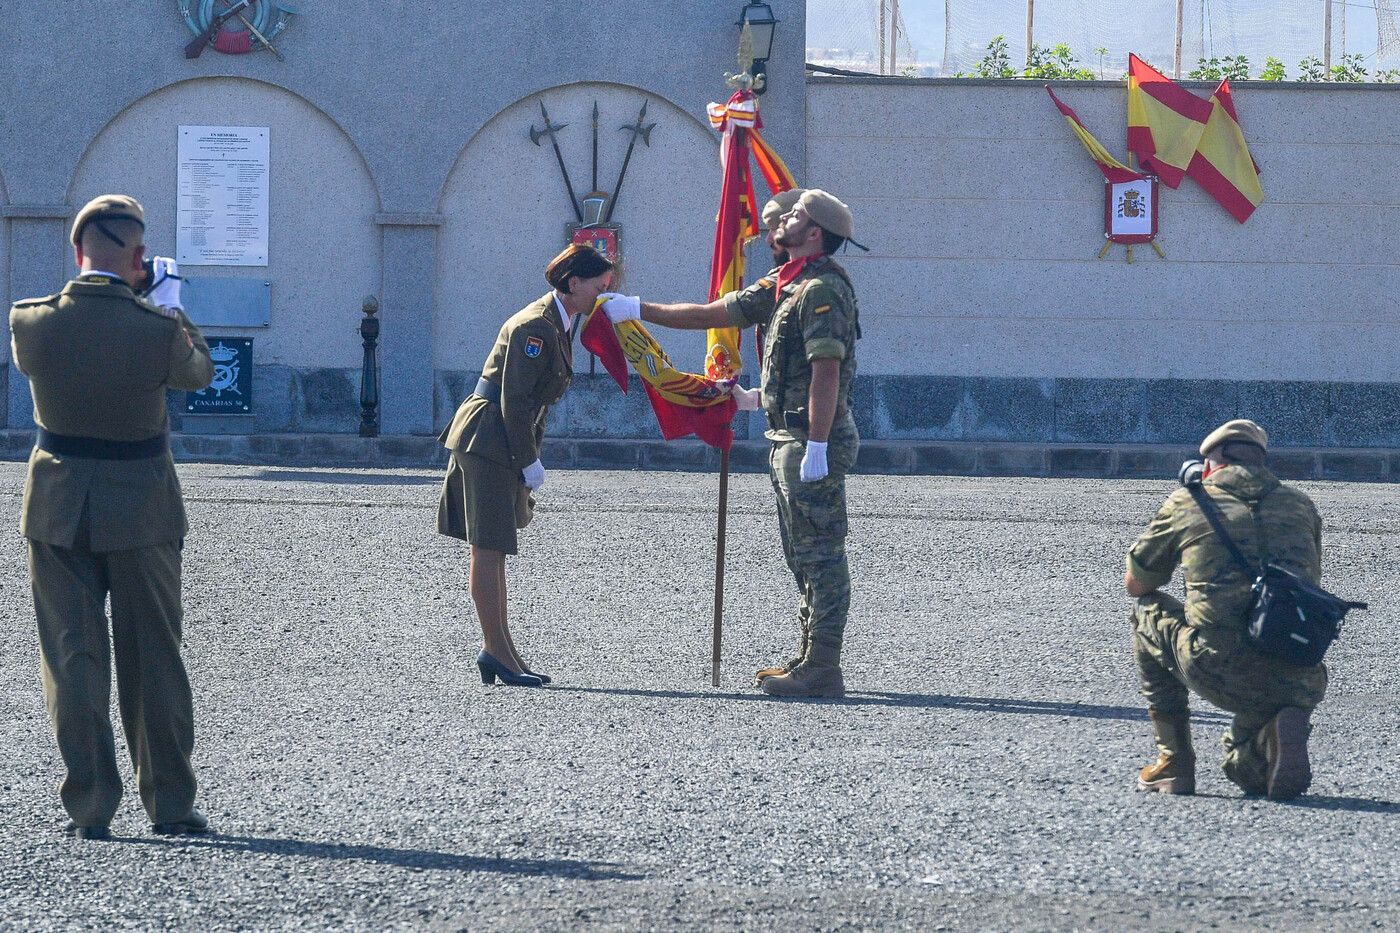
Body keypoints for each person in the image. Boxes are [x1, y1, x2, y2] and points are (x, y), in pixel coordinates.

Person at [9, 194, 215, 839]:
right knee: (153, 656)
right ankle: (171, 805)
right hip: (142, 508)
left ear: (76, 253)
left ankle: (91, 806)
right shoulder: (157, 329)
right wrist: (171, 305)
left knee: (72, 658)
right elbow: (200, 374)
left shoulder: (31, 324)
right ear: (137, 258)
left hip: (58, 505)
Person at [602, 190, 861, 698]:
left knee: (821, 552)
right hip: (788, 432)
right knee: (799, 552)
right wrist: (639, 309)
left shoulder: (822, 290)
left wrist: (819, 445)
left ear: (814, 234)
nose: (782, 218)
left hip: (810, 436)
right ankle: (812, 654)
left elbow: (826, 371)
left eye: (795, 216)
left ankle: (824, 666)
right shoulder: (787, 283)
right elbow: (713, 314)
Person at [438, 243, 614, 687]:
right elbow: (514, 399)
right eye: (600, 285)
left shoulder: (558, 320)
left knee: (496, 547)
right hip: (490, 436)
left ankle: (503, 651)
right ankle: (497, 651)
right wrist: (528, 459)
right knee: (488, 546)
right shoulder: (536, 326)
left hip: (501, 436)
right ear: (574, 284)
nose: (603, 295)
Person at [1125, 419, 1328, 801]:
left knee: (1147, 612)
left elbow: (1138, 583)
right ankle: (1270, 736)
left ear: (1213, 460)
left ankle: (1174, 761)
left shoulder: (1188, 501)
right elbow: (1309, 580)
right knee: (1245, 771)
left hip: (1221, 667)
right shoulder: (1301, 505)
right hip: (1299, 671)